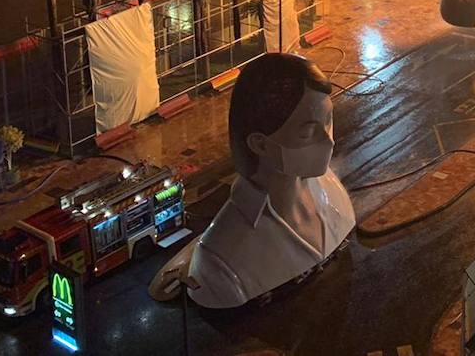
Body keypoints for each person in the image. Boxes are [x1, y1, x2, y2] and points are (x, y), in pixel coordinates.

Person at [149, 53, 354, 308]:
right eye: (309, 132)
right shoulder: (220, 264)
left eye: (328, 121)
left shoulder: (332, 191)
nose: (329, 141)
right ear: (260, 144)